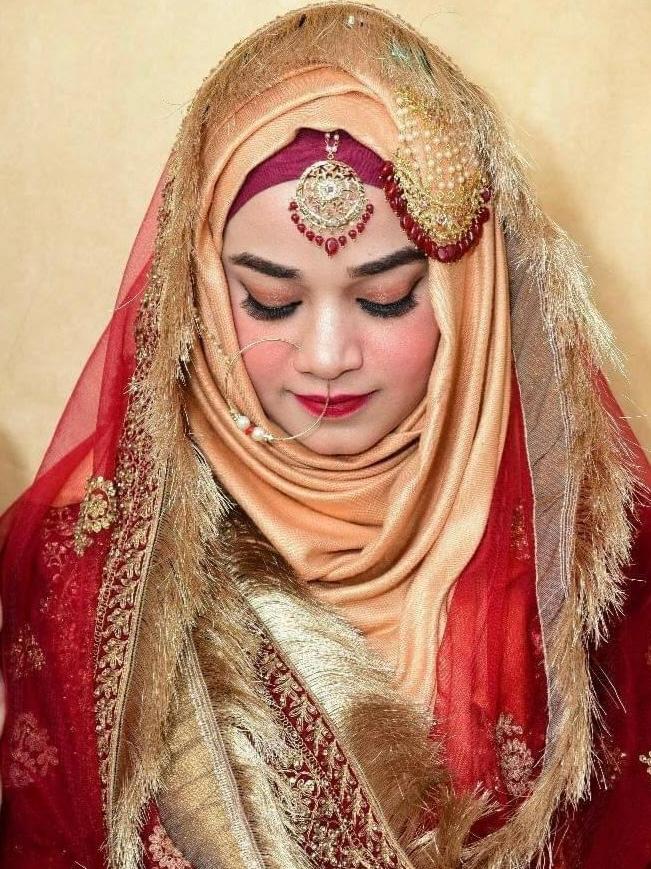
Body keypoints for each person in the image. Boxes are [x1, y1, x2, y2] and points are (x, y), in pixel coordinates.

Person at [1, 3, 649, 867]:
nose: (328, 355)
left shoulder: (595, 563)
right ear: (200, 290)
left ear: (469, 298)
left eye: (385, 297)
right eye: (270, 300)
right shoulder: (88, 567)